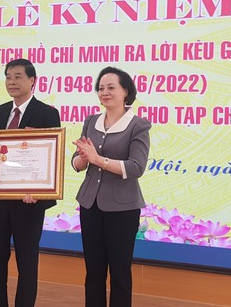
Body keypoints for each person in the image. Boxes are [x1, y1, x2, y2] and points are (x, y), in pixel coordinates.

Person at [72, 66, 151, 307]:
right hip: (90, 203)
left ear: (126, 91)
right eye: (101, 88)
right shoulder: (91, 121)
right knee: (93, 272)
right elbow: (76, 164)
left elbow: (136, 167)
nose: (104, 92)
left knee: (119, 273)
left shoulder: (138, 125)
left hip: (123, 208)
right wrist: (84, 158)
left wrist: (99, 160)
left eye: (111, 87)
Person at [0, 58, 61, 307]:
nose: (11, 81)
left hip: (29, 201)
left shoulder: (47, 113)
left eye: (18, 76)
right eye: (8, 77)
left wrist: (40, 190)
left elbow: (50, 157)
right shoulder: (0, 111)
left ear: (32, 81)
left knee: (27, 264)